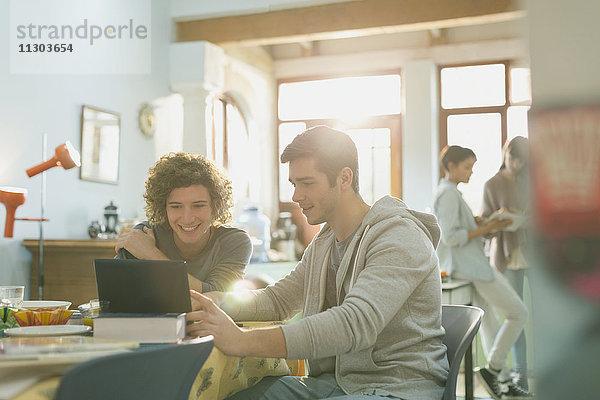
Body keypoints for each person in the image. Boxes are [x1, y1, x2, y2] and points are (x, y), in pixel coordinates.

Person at [186, 126, 449, 400]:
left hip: (397, 389)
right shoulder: (325, 241)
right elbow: (278, 300)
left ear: (344, 178)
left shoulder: (399, 236)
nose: (296, 196)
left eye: (307, 183)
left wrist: (241, 341)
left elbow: (354, 323)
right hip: (335, 384)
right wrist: (211, 301)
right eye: (293, 184)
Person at [433, 145, 531, 399]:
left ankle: (505, 382)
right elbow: (452, 237)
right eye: (467, 167)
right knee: (519, 313)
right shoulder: (447, 195)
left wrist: (484, 222)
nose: (471, 172)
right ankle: (494, 368)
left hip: (470, 266)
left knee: (490, 324)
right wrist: (487, 228)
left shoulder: (453, 193)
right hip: (470, 267)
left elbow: (460, 228)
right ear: (450, 166)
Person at [115, 152, 252, 293]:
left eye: (198, 206)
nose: (187, 218)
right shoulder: (144, 234)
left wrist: (151, 255)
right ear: (164, 208)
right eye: (176, 207)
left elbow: (216, 296)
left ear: (215, 207)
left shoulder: (235, 241)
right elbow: (116, 295)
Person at [481, 136, 531, 390]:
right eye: (512, 158)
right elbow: (486, 227)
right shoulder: (492, 184)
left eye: (520, 161)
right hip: (507, 257)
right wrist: (500, 221)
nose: (515, 164)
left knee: (542, 314)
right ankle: (519, 375)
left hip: (532, 254)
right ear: (505, 153)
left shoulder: (529, 182)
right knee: (517, 316)